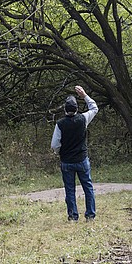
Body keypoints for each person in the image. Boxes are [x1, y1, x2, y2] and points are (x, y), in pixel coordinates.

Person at [51, 85, 99, 221]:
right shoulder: (83, 119)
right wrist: (84, 95)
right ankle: (90, 215)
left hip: (67, 161)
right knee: (88, 188)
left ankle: (73, 216)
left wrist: (60, 152)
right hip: (82, 159)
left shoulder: (60, 124)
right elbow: (94, 108)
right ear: (77, 109)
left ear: (65, 110)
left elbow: (54, 145)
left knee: (70, 190)